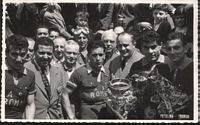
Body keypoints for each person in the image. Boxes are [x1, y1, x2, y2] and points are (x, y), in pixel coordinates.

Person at [24, 37, 74, 119]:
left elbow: (60, 99)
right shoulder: (25, 69)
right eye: (42, 53)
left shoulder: (58, 71)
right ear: (34, 52)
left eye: (49, 53)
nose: (46, 56)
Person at [68, 40, 110, 119]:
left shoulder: (107, 71)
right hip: (87, 115)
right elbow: (65, 94)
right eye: (94, 55)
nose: (98, 58)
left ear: (105, 55)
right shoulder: (80, 72)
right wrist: (71, 115)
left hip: (105, 115)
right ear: (89, 56)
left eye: (101, 55)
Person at [156, 32, 193, 119]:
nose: (172, 52)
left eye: (176, 48)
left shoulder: (194, 71)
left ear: (186, 48)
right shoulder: (171, 68)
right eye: (169, 49)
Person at [5, 34, 36, 119]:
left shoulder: (30, 75)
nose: (19, 59)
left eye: (22, 54)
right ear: (6, 53)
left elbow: (30, 105)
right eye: (14, 54)